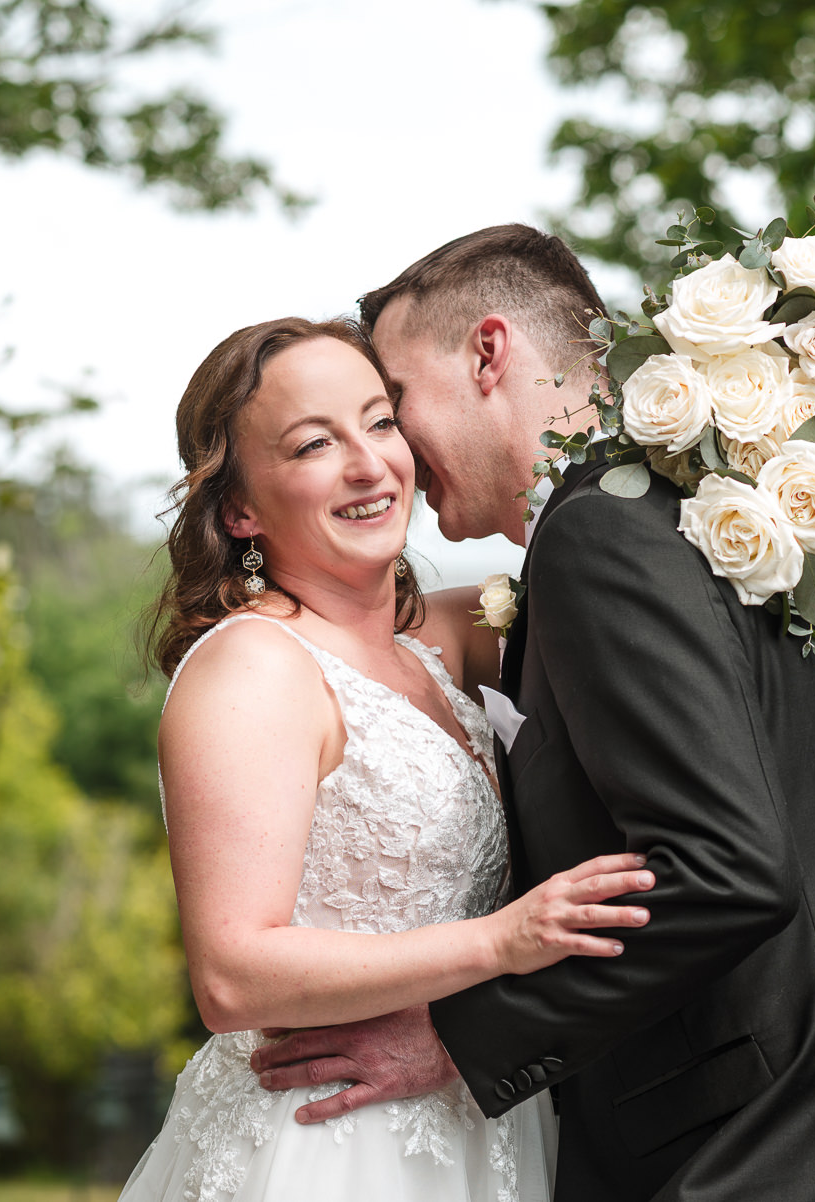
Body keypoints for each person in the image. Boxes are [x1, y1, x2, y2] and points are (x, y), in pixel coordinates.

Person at [248, 228, 815, 1201]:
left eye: (394, 401)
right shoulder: (724, 520)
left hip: (763, 1151)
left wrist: (463, 1038)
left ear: (487, 352)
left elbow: (731, 869)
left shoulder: (600, 534)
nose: (394, 447)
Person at [119, 316, 656, 1202]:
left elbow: (625, 571)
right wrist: (501, 941)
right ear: (240, 507)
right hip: (327, 1141)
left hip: (483, 1119)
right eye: (312, 445)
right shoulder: (252, 666)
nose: (369, 465)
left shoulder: (452, 638)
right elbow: (231, 974)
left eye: (379, 422)